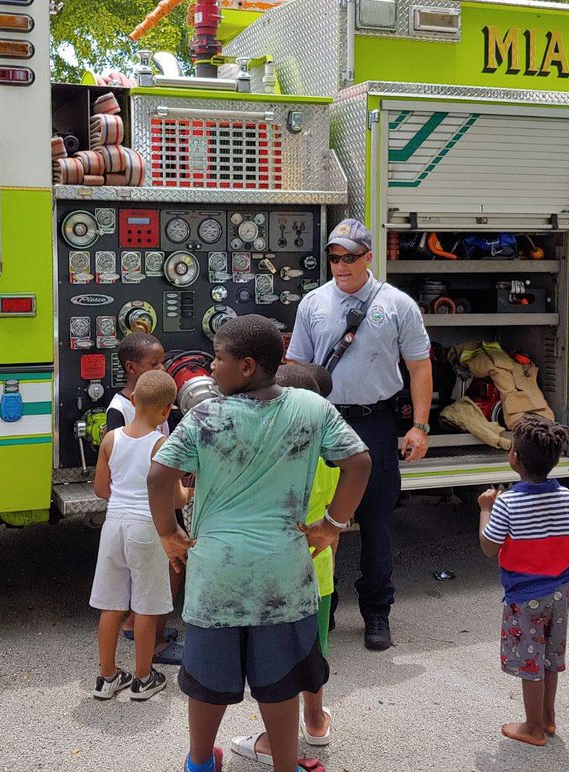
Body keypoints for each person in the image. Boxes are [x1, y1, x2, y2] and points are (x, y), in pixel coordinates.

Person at [147, 314, 372, 772]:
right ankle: (285, 765)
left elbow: (158, 473)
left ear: (247, 366)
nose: (210, 368)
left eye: (219, 359)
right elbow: (360, 463)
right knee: (281, 681)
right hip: (282, 577)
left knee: (207, 683)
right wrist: (332, 525)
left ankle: (199, 763)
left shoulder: (205, 416)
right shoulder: (313, 408)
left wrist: (169, 535)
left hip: (217, 579)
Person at [286, 217, 433, 651]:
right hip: (323, 422)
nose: (341, 265)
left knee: (376, 522)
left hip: (375, 422)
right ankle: (321, 609)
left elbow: (419, 366)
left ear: (369, 257)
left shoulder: (398, 304)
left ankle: (376, 614)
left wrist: (419, 426)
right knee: (317, 517)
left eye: (350, 257)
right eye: (335, 257)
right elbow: (296, 367)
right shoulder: (312, 304)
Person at [232, 362, 340, 766]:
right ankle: (316, 724)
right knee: (314, 655)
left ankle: (275, 742)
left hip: (276, 574)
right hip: (321, 572)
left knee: (278, 666)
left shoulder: (268, 455)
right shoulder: (331, 453)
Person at [477, 415, 569, 746]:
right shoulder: (566, 497)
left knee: (529, 661)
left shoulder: (507, 503)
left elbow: (488, 547)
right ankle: (548, 717)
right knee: (550, 657)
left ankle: (533, 727)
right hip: (561, 591)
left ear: (514, 457)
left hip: (525, 597)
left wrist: (485, 509)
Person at [89, 370, 190, 701]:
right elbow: (174, 498)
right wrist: (189, 492)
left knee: (111, 605)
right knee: (145, 606)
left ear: (133, 400)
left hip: (114, 525)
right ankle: (143, 678)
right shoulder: (162, 443)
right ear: (167, 410)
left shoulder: (110, 439)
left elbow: (101, 489)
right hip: (147, 528)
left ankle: (106, 678)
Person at [107, 332, 183, 664]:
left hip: (156, 498)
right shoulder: (119, 410)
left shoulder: (160, 405)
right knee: (174, 566)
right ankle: (154, 643)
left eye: (163, 361)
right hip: (150, 504)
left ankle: (133, 624)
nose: (162, 367)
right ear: (131, 367)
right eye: (154, 363)